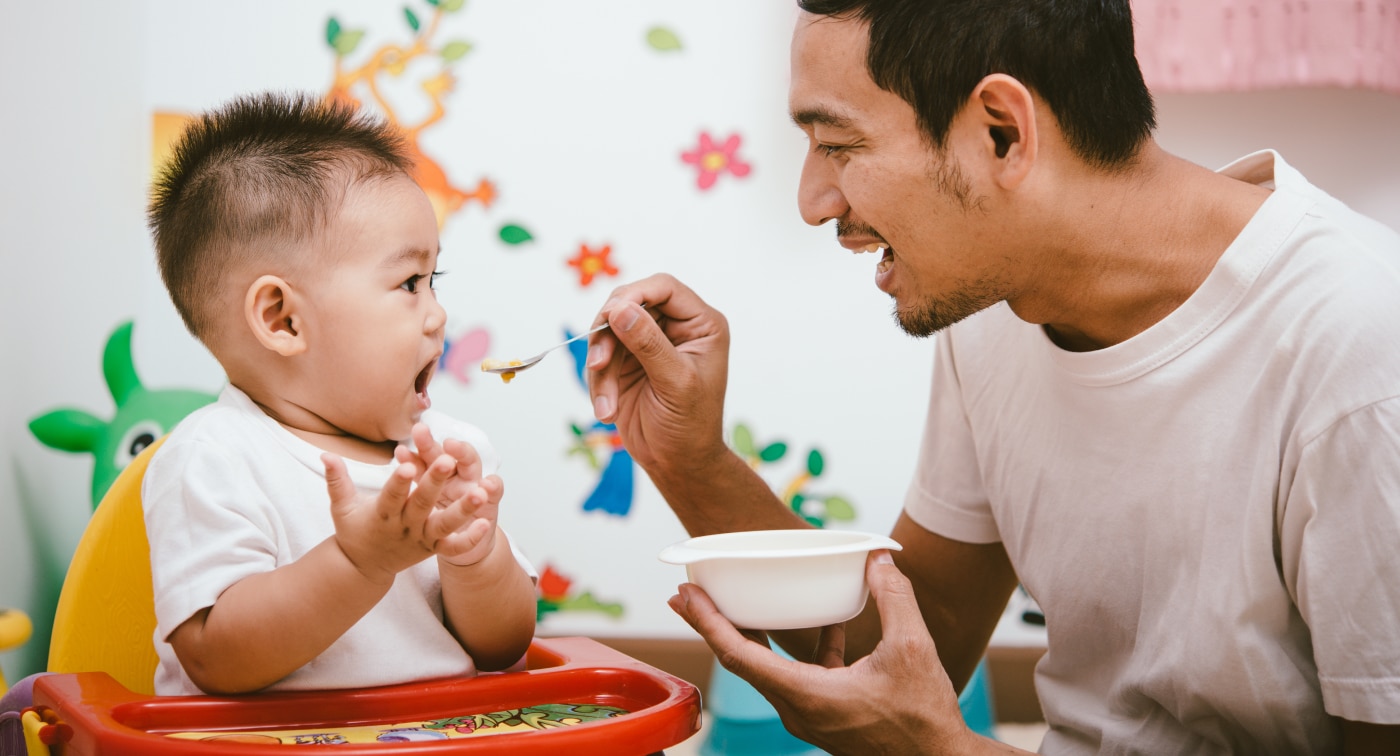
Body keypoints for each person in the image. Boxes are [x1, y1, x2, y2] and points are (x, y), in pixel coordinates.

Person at [584, 1, 1400, 753]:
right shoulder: (998, 305)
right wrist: (690, 458)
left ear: (1002, 132)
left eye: (838, 145)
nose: (811, 201)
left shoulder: (1361, 349)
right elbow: (918, 641)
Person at [142, 92, 537, 696]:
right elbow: (216, 658)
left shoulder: (449, 456)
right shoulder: (215, 457)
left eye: (435, 281)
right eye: (410, 283)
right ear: (283, 319)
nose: (438, 315)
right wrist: (360, 564)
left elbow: (503, 648)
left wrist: (474, 557)